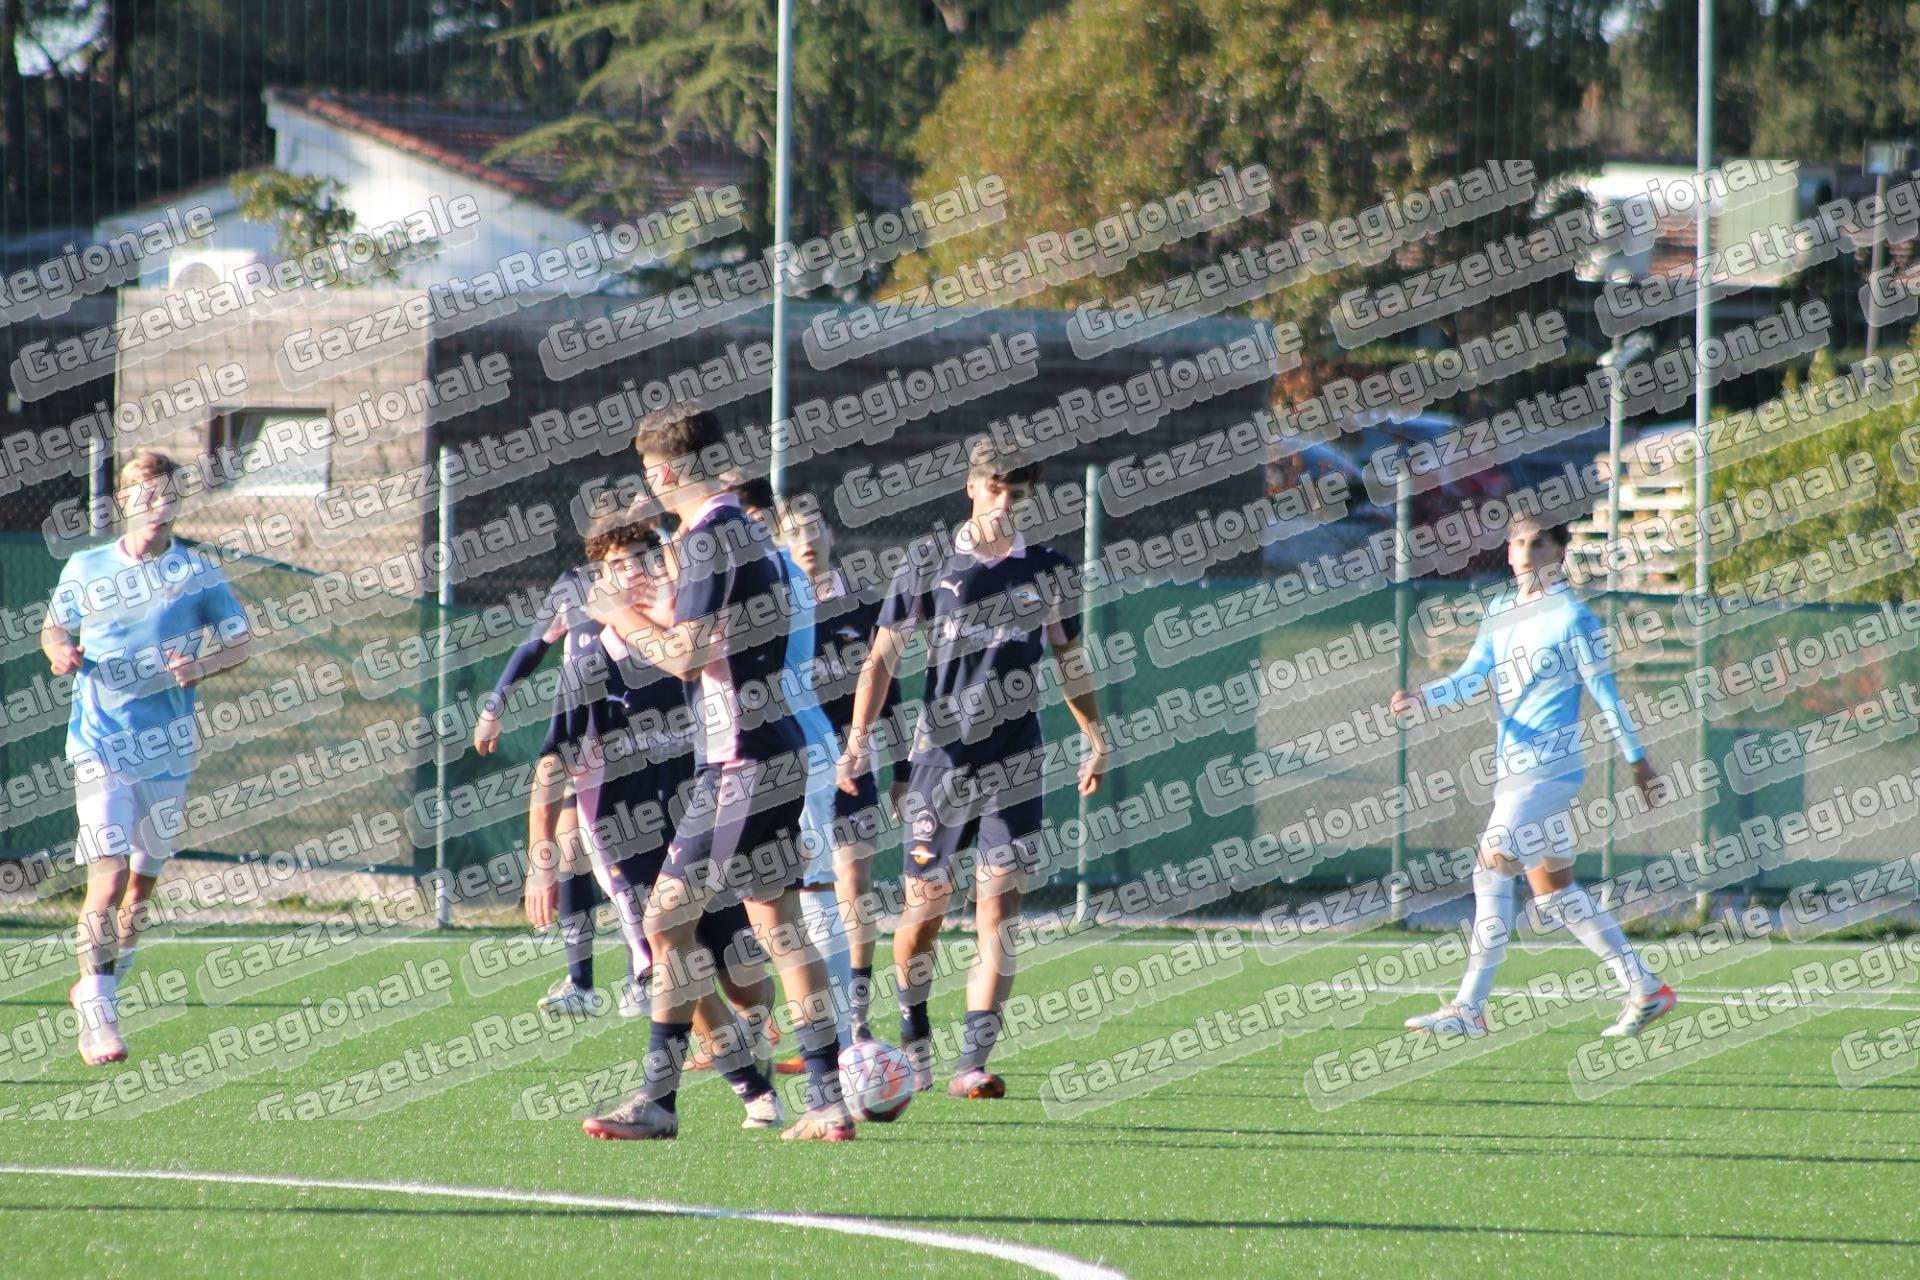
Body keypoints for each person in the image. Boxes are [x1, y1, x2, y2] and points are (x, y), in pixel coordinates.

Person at [583, 409, 853, 1142]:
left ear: (666, 471)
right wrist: (660, 599)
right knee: (779, 925)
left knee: (666, 921)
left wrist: (621, 616)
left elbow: (687, 657)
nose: (649, 487)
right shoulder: (745, 533)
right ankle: (826, 1101)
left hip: (741, 758)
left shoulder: (708, 538)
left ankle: (658, 1102)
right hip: (775, 745)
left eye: (649, 474)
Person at [838, 440, 1108, 1099]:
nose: (1004, 503)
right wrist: (857, 742)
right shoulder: (930, 560)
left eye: (1017, 494)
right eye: (995, 489)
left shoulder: (1048, 570)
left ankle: (971, 1063)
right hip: (941, 762)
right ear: (971, 487)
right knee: (924, 913)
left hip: (1016, 759)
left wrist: (1095, 734)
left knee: (1001, 908)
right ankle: (914, 1034)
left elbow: (1069, 659)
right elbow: (881, 661)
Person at [524, 510, 782, 1126]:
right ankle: (753, 1092)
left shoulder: (690, 650)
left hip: (697, 820)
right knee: (676, 958)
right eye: (618, 566)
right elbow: (553, 764)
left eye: (645, 557)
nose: (635, 573)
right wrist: (541, 862)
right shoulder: (592, 659)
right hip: (625, 838)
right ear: (599, 579)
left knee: (745, 974)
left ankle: (753, 1045)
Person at [1392, 515, 1677, 1039]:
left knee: (1490, 869)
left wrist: (1639, 761)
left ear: (1560, 552)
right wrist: (1423, 696)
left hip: (1548, 771)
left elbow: (1606, 695)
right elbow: (1470, 678)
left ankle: (1469, 1009)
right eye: (1519, 542)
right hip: (1516, 773)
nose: (1526, 551)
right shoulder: (1500, 612)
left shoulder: (1573, 618)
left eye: (1539, 543)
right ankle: (1646, 989)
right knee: (1554, 895)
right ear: (1508, 552)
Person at [44, 449, 252, 1065]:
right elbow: (54, 627)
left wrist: (202, 665)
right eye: (145, 497)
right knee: (106, 881)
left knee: (139, 892)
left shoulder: (197, 572)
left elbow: (239, 641)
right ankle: (99, 1015)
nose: (158, 507)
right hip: (98, 744)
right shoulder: (86, 566)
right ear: (124, 503)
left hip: (166, 752)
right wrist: (59, 652)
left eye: (167, 496)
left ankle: (97, 983)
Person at [782, 500, 909, 1044]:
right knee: (794, 893)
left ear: (830, 536)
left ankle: (855, 1016)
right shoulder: (774, 610)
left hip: (853, 762)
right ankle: (807, 1018)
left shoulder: (863, 604)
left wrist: (903, 769)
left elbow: (889, 690)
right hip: (790, 767)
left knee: (852, 881)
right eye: (794, 532)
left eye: (814, 529)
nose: (807, 540)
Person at [475, 561, 612, 1016]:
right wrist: (494, 706)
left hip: (640, 733)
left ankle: (650, 974)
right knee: (571, 849)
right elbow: (534, 645)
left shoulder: (662, 568)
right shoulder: (575, 581)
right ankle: (582, 984)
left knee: (639, 862)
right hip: (583, 732)